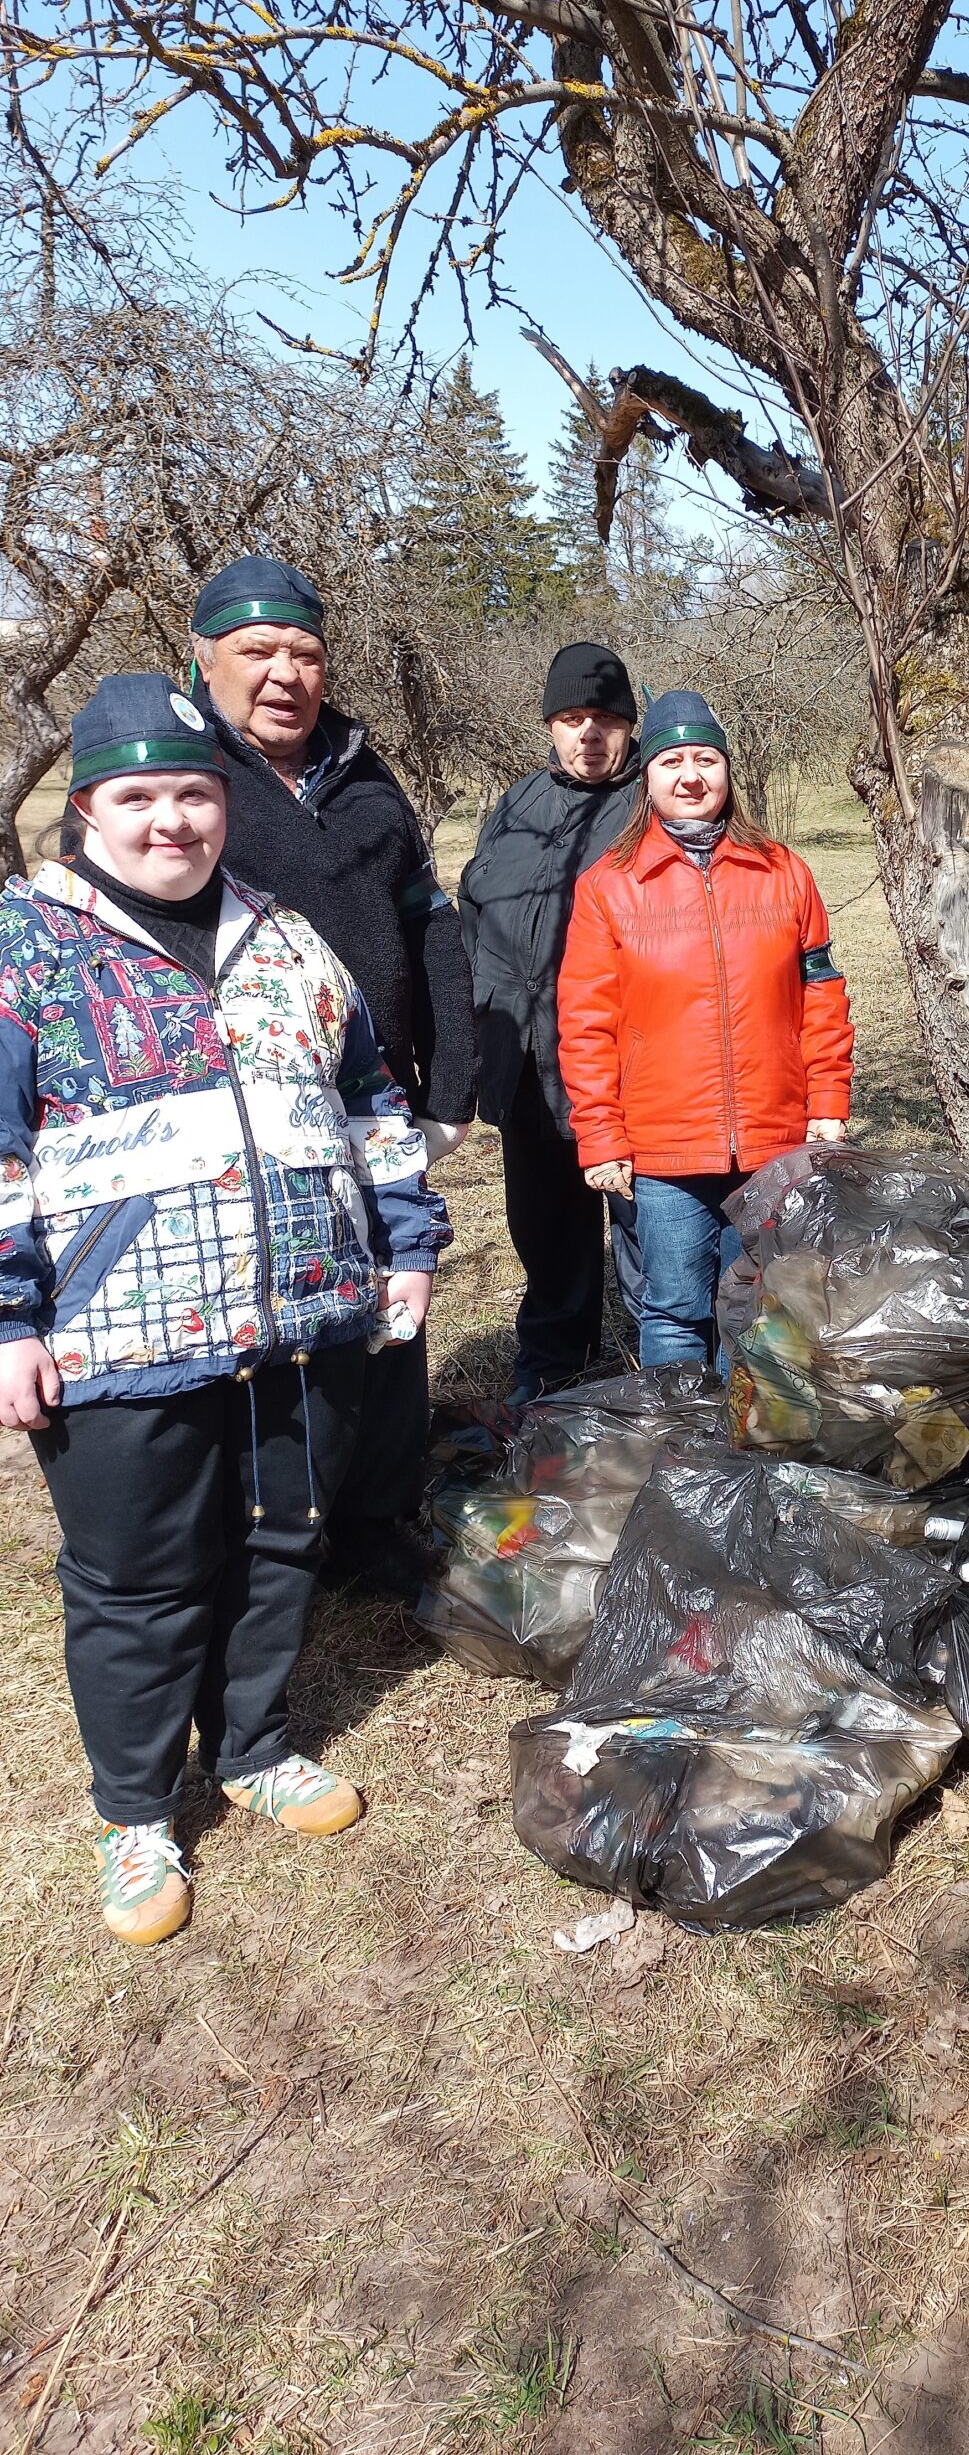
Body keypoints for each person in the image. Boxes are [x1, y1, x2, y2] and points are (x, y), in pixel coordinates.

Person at [0, 675, 450, 1946]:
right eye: (139, 795)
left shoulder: (287, 938)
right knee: (138, 1580)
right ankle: (138, 1813)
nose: (172, 820)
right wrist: (9, 1319)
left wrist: (407, 1244)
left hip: (302, 1318)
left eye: (194, 792)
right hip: (118, 1339)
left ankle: (252, 1746)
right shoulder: (25, 946)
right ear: (87, 806)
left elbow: (371, 1105)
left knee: (281, 1541)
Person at [183, 555, 474, 1597]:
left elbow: (427, 922)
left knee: (392, 1300)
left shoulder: (364, 774)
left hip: (379, 1099)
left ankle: (374, 1518)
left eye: (305, 653)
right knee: (262, 1314)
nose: (284, 674)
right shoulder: (186, 782)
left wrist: (451, 1084)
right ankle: (261, 1539)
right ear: (203, 659)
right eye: (257, 651)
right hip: (242, 1113)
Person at [557, 690, 855, 1364]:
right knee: (674, 1312)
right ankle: (679, 1433)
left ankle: (743, 1431)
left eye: (706, 760)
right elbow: (585, 1024)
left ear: (727, 771)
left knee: (760, 1311)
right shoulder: (609, 886)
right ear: (647, 779)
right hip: (664, 1148)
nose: (690, 777)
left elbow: (822, 998)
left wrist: (828, 1103)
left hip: (775, 1140)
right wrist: (601, 1138)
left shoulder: (783, 872)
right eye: (672, 762)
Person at [461, 644, 650, 1401]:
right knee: (544, 1232)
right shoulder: (517, 807)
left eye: (605, 718)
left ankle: (668, 1372)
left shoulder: (652, 806)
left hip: (623, 1067)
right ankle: (552, 1371)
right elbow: (474, 917)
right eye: (572, 719)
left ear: (630, 725)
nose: (589, 734)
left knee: (648, 1235)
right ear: (550, 725)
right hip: (526, 1064)